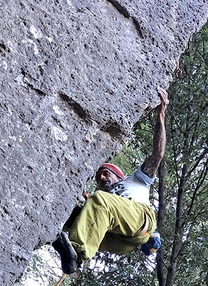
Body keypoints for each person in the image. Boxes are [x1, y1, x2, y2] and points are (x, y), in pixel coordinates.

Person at [52, 88, 169, 274]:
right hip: (118, 239)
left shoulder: (137, 179)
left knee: (99, 200)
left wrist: (160, 116)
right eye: (99, 178)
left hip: (139, 219)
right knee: (73, 214)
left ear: (119, 176)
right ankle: (60, 240)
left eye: (106, 173)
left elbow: (157, 155)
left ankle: (76, 253)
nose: (102, 178)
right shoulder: (102, 199)